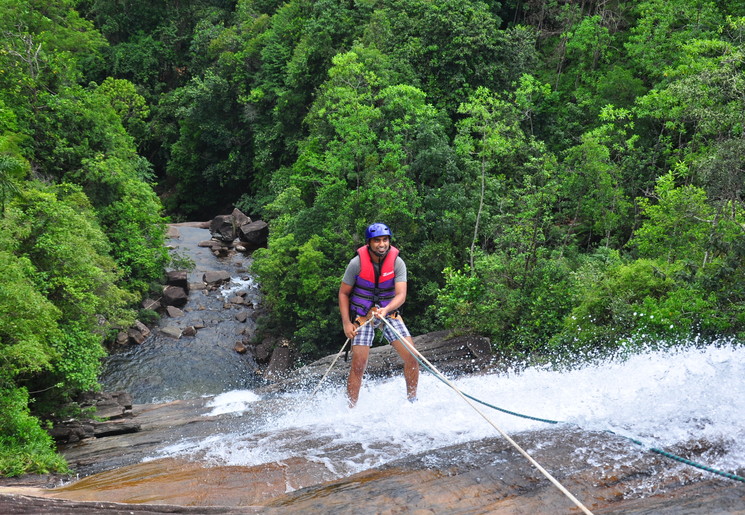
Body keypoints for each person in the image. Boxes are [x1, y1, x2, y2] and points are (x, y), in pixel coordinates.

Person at [338, 223, 419, 407]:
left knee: (412, 357)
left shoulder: (397, 262)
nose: (381, 244)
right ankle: (351, 409)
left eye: (385, 240)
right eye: (377, 241)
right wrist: (346, 324)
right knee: (358, 365)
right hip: (363, 315)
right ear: (369, 243)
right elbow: (343, 293)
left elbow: (401, 295)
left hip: (388, 312)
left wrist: (387, 308)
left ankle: (412, 401)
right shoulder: (356, 263)